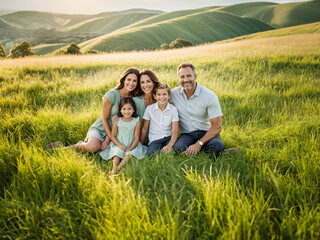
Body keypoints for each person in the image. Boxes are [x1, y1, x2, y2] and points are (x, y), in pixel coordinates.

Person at [75, 67, 140, 153]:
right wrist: (107, 139)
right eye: (129, 79)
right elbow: (104, 119)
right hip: (102, 128)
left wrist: (109, 139)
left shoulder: (133, 98)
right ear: (123, 80)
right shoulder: (111, 95)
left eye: (134, 81)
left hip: (117, 132)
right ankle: (78, 145)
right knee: (93, 148)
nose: (131, 83)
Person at [171, 62, 225, 157]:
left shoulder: (209, 96)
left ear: (195, 76)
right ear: (179, 78)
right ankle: (200, 151)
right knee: (178, 149)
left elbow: (217, 126)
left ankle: (202, 149)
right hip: (187, 134)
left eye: (189, 76)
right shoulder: (174, 94)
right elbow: (159, 97)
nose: (186, 80)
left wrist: (199, 144)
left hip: (206, 132)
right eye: (182, 77)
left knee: (216, 146)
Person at [99, 98, 147, 174]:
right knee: (117, 154)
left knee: (129, 155)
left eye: (129, 109)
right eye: (124, 109)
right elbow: (113, 136)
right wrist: (120, 145)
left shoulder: (136, 121)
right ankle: (114, 169)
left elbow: (136, 138)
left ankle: (118, 169)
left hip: (132, 144)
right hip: (119, 143)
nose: (127, 111)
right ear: (120, 110)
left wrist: (130, 148)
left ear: (133, 110)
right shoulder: (117, 120)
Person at [140, 83, 179, 156]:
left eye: (164, 94)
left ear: (169, 95)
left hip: (169, 138)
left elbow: (175, 130)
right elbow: (144, 128)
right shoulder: (149, 109)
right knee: (151, 154)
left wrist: (170, 145)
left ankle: (167, 148)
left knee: (173, 152)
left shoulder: (173, 109)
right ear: (154, 96)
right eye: (159, 94)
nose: (162, 97)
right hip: (155, 139)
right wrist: (140, 144)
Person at [133, 69, 160, 144]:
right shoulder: (135, 101)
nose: (146, 85)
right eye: (142, 82)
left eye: (148, 81)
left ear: (154, 82)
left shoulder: (160, 100)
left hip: (156, 138)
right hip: (137, 139)